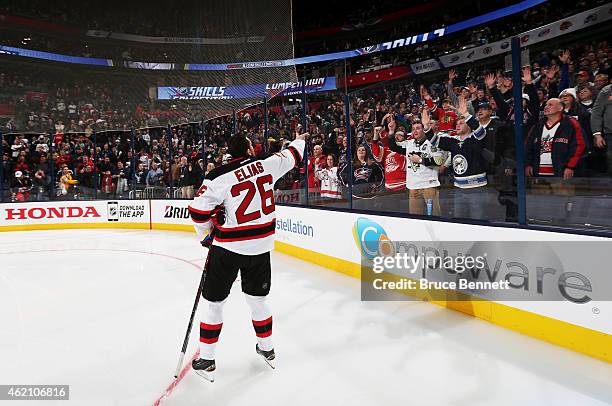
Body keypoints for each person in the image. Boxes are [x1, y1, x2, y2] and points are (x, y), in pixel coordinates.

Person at [188, 130, 307, 381]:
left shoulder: (217, 177)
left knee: (214, 303)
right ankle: (267, 348)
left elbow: (198, 211)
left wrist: (207, 234)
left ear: (229, 153)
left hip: (228, 249)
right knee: (258, 300)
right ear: (250, 149)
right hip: (261, 247)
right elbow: (295, 154)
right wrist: (300, 138)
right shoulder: (268, 162)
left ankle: (207, 358)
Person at [388, 109, 443, 216]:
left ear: (424, 129)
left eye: (418, 128)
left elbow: (438, 161)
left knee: (435, 218)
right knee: (415, 219)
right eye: (413, 129)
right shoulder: (409, 143)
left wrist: (420, 160)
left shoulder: (432, 142)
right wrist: (391, 131)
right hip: (413, 187)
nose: (415, 131)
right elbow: (393, 146)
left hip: (429, 186)